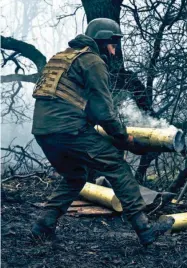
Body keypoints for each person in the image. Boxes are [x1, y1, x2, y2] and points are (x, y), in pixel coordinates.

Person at [30, 18, 174, 246]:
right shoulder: (92, 61)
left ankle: (42, 226)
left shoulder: (62, 58)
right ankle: (145, 229)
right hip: (68, 130)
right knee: (116, 166)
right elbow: (103, 112)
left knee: (75, 176)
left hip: (43, 131)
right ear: (103, 40)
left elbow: (69, 102)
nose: (115, 50)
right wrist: (123, 137)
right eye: (113, 44)